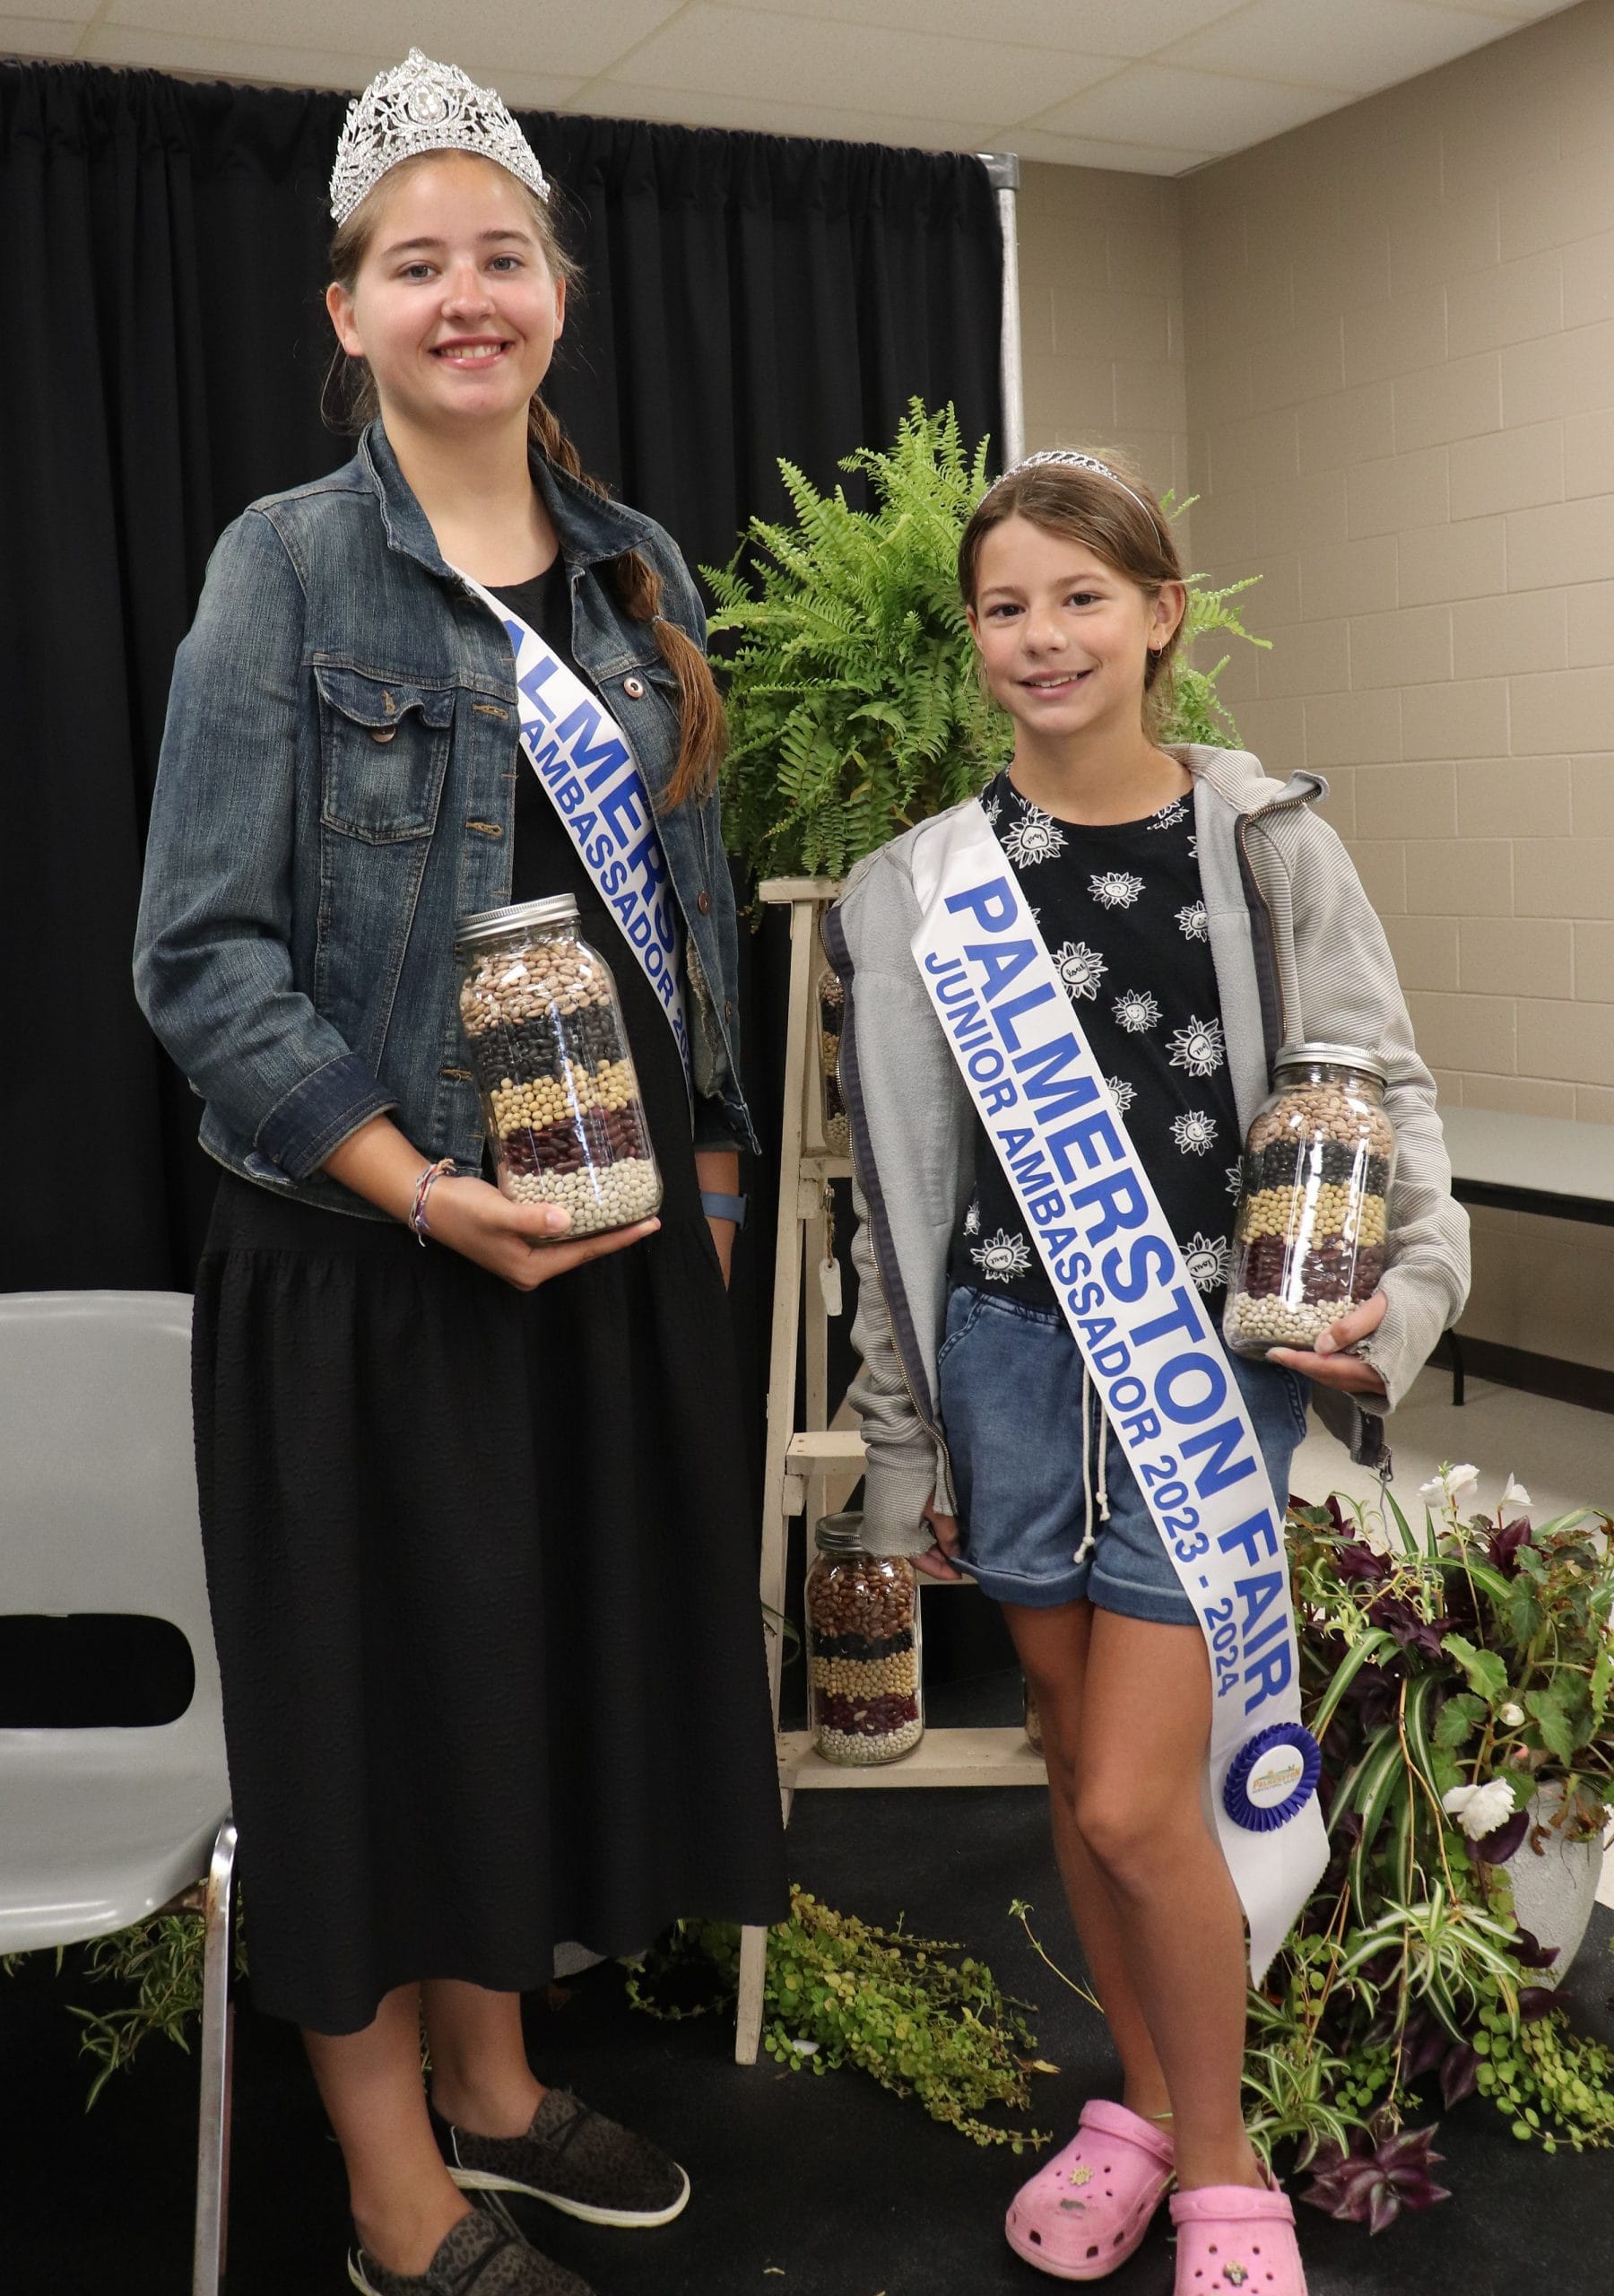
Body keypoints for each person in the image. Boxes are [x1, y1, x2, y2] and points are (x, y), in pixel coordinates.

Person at [134, 50, 786, 2296]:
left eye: (499, 253)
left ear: (559, 292)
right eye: (417, 263)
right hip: (373, 1254)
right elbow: (195, 958)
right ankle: (393, 2194)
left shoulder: (637, 564)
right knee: (368, 1720)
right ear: (348, 310)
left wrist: (696, 1170)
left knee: (518, 1685)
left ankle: (501, 2093)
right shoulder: (283, 568)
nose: (465, 295)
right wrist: (417, 1180)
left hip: (596, 1248)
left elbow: (681, 898)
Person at [823, 448, 1469, 2296]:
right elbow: (896, 1195)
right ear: (974, 637)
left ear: (1161, 611)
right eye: (1008, 607)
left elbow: (1384, 1100)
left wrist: (1401, 1311)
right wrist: (898, 1444)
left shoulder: (1271, 846)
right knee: (1064, 1754)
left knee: (1130, 1798)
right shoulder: (917, 889)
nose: (1045, 637)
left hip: (1199, 1361)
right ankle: (1134, 2095)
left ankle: (1221, 2157)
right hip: (1007, 1361)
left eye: (1082, 597)